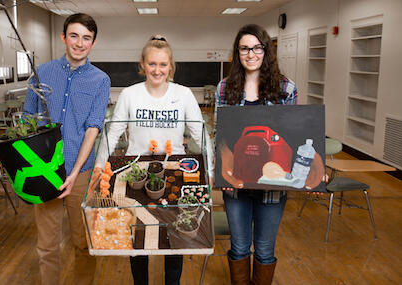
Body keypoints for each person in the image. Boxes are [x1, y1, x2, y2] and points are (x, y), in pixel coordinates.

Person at [94, 35, 214, 285]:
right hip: (135, 173)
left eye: (163, 64)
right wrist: (98, 165)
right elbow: (112, 134)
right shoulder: (129, 94)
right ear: (143, 64)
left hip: (174, 173)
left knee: (174, 236)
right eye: (152, 64)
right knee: (138, 238)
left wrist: (210, 170)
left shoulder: (183, 94)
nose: (157, 70)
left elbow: (200, 134)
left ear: (171, 66)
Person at [24, 13, 110, 285]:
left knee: (83, 242)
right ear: (63, 37)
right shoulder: (42, 73)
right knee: (47, 246)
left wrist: (73, 174)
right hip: (45, 169)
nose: (79, 43)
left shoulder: (100, 80)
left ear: (93, 43)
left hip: (81, 172)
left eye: (86, 38)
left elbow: (93, 129)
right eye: (74, 36)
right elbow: (28, 117)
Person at [215, 24, 297, 285]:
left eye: (256, 48)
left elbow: (293, 136)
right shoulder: (225, 87)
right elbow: (221, 136)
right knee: (239, 248)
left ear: (266, 50)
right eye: (244, 48)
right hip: (236, 185)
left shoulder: (286, 88)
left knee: (264, 251)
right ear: (237, 52)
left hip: (272, 186)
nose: (251, 54)